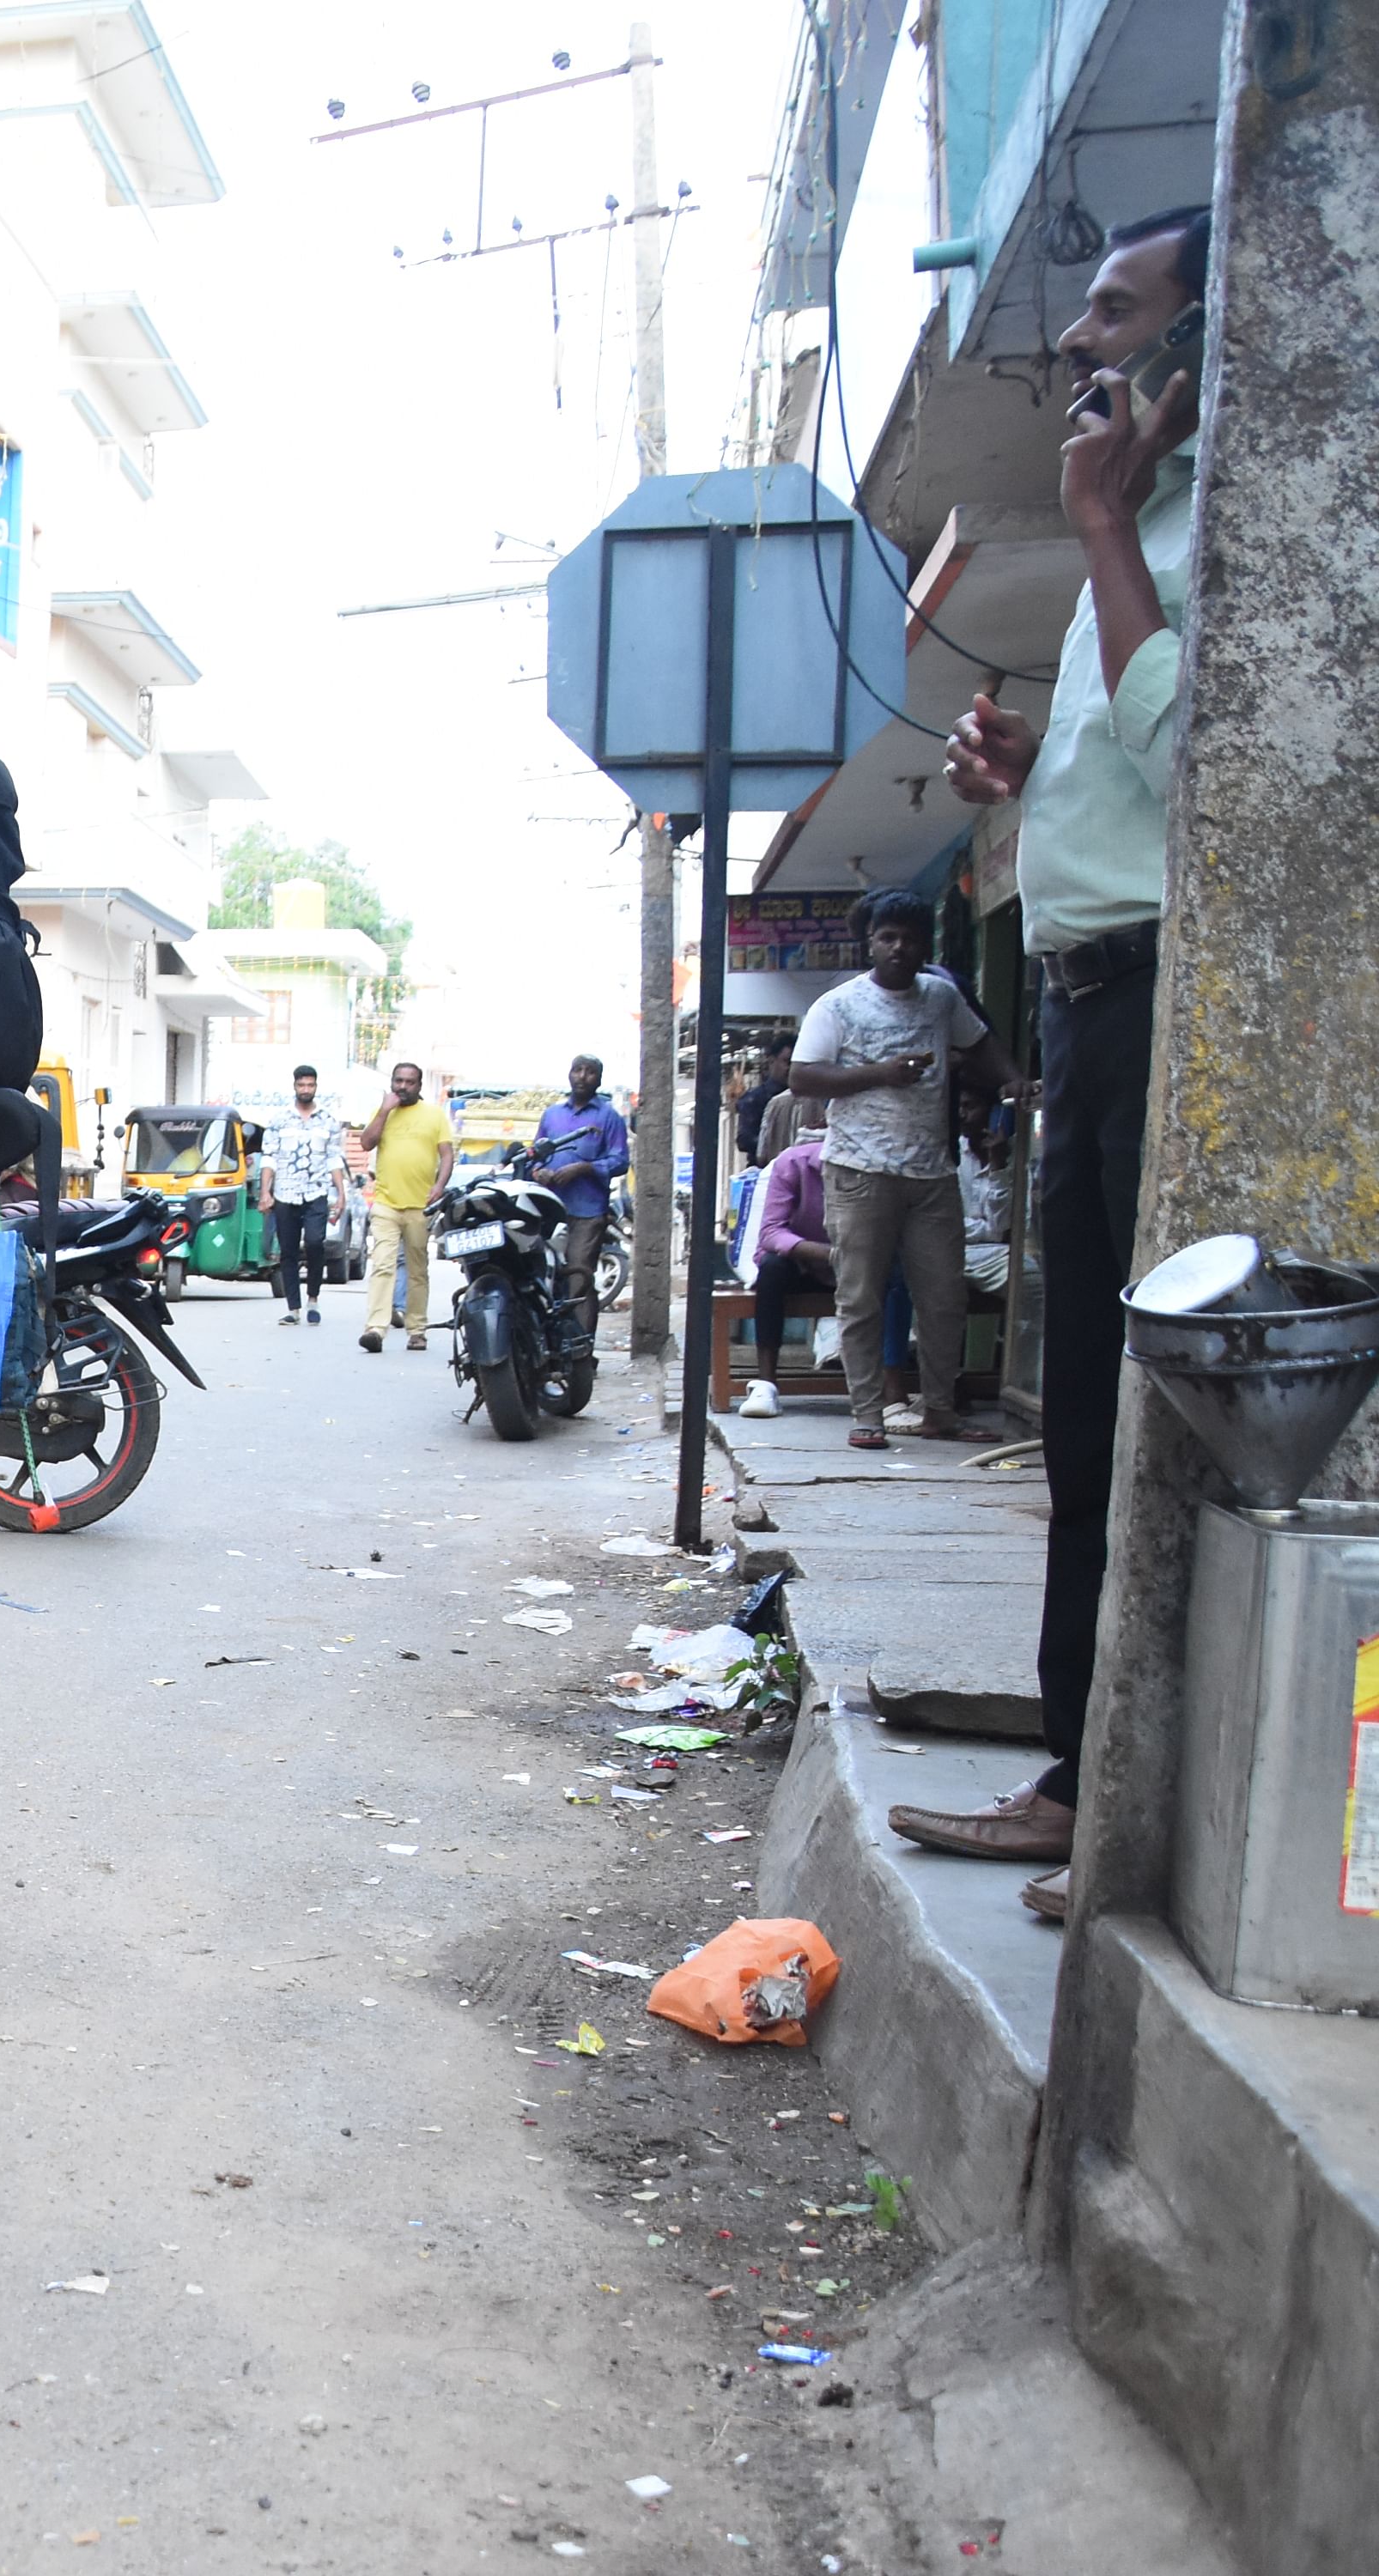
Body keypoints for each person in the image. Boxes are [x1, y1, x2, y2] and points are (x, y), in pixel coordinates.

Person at [892, 206, 1203, 1919]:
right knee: (1083, 1419)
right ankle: (1083, 1781)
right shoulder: (1127, 541)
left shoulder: (1216, 524)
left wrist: (1097, 526)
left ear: (1194, 341)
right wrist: (1019, 776)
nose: (1079, 346)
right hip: (1087, 1004)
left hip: (1166, 1005)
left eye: (1115, 314)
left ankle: (1116, 1801)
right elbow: (1133, 779)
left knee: (1136, 1423)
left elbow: (1218, 766)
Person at [787, 889, 1017, 1452]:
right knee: (860, 1298)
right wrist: (879, 1074)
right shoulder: (837, 1005)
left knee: (943, 1298)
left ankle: (940, 1409)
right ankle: (868, 1414)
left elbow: (982, 1045)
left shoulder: (941, 997)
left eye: (910, 938)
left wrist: (1013, 1079)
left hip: (932, 1174)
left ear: (924, 946)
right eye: (888, 936)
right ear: (870, 941)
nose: (899, 947)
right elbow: (803, 1079)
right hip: (859, 1173)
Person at [737, 1097, 835, 1416]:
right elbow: (771, 1232)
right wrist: (824, 1253)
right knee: (772, 1268)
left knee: (893, 1272)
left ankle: (892, 1383)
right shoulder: (793, 1163)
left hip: (855, 1261)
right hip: (803, 1262)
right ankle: (766, 1383)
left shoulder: (872, 1163)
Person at [354, 1059, 454, 1353]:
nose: (403, 1087)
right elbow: (365, 1143)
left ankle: (417, 1330)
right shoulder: (383, 1112)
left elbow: (447, 1155)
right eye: (398, 1081)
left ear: (419, 1086)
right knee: (383, 1265)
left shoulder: (434, 1116)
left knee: (417, 1270)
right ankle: (375, 1329)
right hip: (386, 1203)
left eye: (409, 1082)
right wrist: (384, 1110)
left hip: (420, 1206)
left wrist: (439, 1186)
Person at [527, 1056, 632, 1313]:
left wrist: (584, 1168)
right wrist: (538, 1171)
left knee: (579, 1276)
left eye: (590, 1072)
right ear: (569, 1074)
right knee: (544, 1275)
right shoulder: (552, 1115)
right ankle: (546, 1344)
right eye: (578, 1070)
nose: (583, 1077)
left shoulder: (609, 1117)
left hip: (587, 1211)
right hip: (548, 1208)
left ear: (599, 1079)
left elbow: (620, 1161)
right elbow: (535, 1154)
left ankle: (578, 1347)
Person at [254, 1066, 343, 1327]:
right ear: (294, 1086)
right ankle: (293, 1308)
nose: (306, 1090)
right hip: (285, 1193)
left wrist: (341, 1195)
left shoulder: (327, 1120)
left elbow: (333, 1158)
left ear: (316, 1087)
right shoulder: (280, 1119)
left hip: (316, 1192)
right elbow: (269, 1158)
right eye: (302, 1085)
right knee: (288, 1251)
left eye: (310, 1085)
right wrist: (265, 1192)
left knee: (316, 1243)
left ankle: (313, 1298)